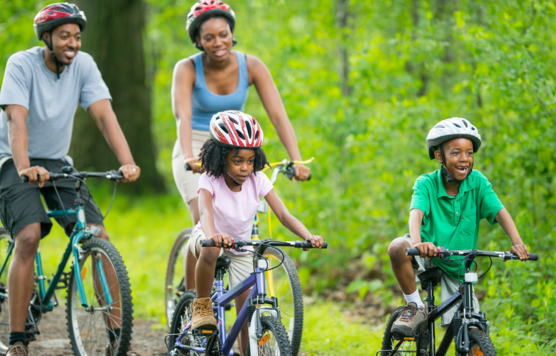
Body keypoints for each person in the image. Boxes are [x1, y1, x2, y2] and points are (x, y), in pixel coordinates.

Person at [0, 3, 140, 356]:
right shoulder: (21, 63)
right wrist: (23, 167)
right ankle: (17, 340)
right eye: (65, 36)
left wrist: (127, 162)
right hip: (12, 159)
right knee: (29, 234)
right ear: (46, 38)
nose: (73, 43)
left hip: (58, 162)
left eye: (77, 36)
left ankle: (116, 338)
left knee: (97, 235)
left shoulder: (85, 66)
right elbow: (17, 120)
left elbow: (105, 116)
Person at [171, 0, 312, 291]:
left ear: (232, 33)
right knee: (203, 220)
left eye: (223, 34)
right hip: (198, 144)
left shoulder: (252, 65)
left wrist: (296, 160)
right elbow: (182, 116)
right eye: (208, 37)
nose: (217, 42)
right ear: (197, 40)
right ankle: (192, 297)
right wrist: (188, 155)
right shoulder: (186, 68)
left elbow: (277, 115)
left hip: (237, 145)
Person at [188, 110, 323, 355]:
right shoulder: (210, 178)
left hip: (241, 248)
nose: (245, 168)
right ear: (221, 158)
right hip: (207, 237)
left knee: (246, 317)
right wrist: (214, 235)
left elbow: (283, 214)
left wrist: (308, 235)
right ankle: (202, 305)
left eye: (250, 161)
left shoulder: (258, 180)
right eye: (237, 161)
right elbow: (206, 213)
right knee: (210, 248)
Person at [387, 117, 531, 336]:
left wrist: (517, 243)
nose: (464, 159)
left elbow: (501, 212)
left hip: (458, 265)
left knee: (472, 328)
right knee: (397, 247)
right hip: (427, 252)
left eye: (469, 153)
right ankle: (415, 307)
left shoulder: (478, 183)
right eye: (455, 153)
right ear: (439, 156)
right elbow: (415, 214)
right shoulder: (426, 183)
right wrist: (417, 243)